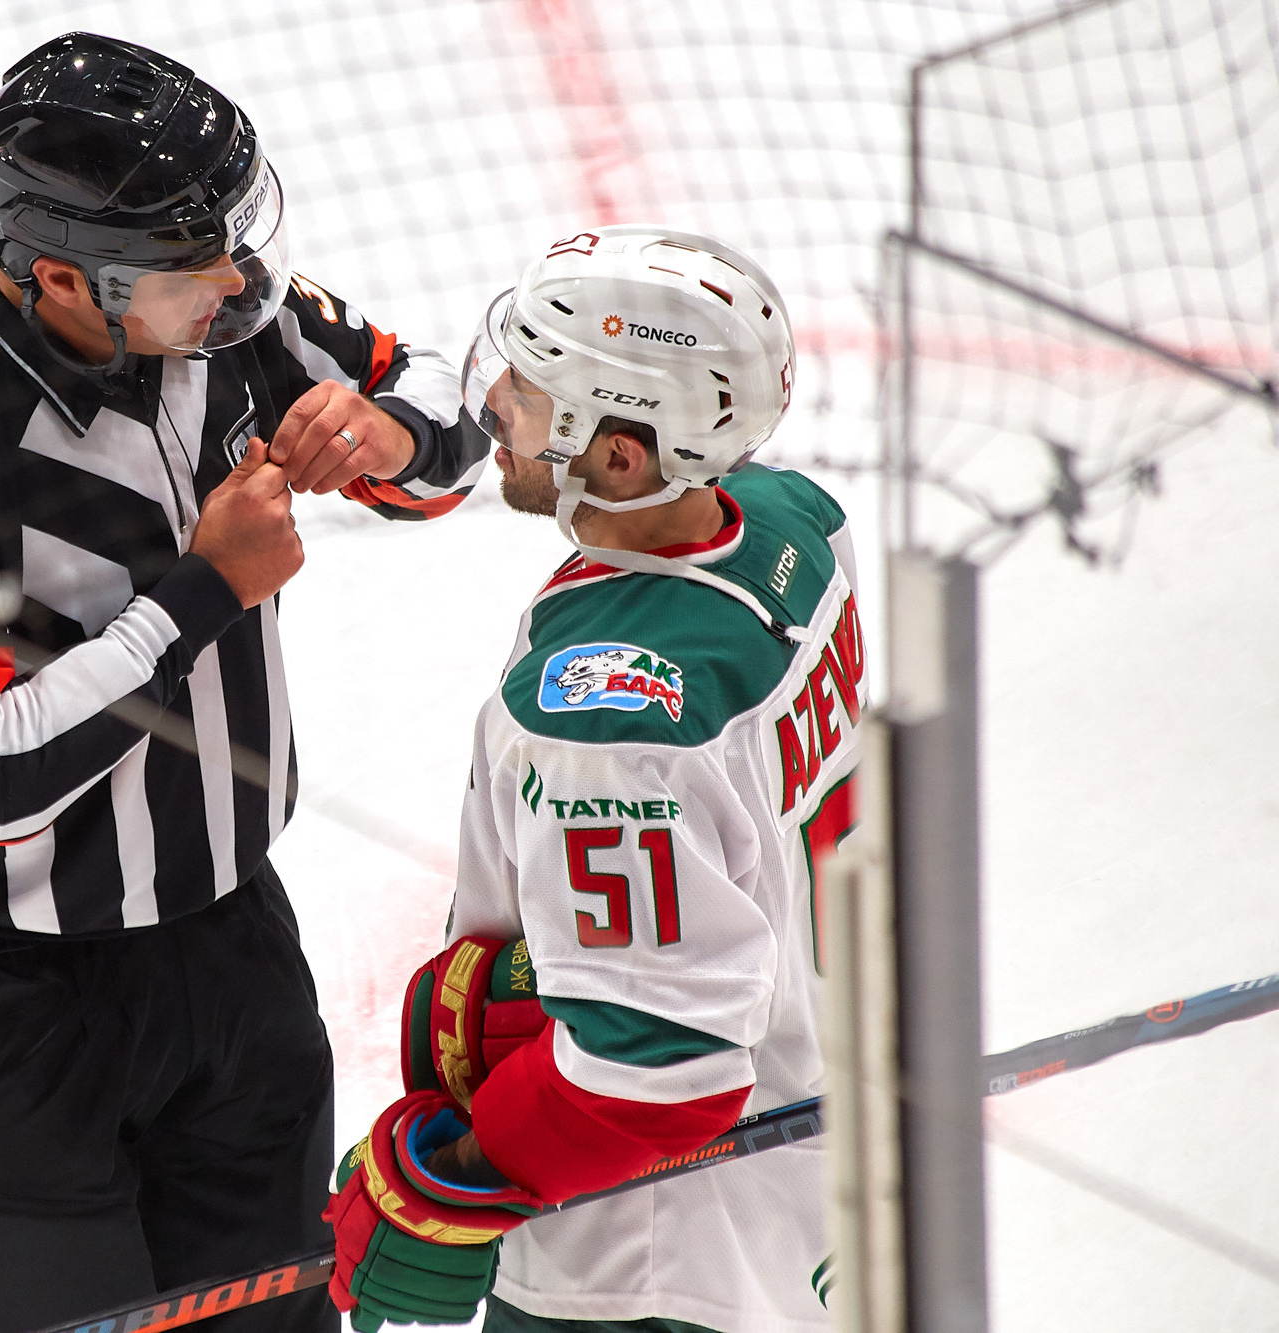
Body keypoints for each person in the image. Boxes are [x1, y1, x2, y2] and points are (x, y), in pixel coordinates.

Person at [0, 32, 485, 1333]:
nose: (237, 280)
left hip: (229, 952)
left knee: (276, 1317)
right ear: (64, 278)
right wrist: (203, 592)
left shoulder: (222, 317)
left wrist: (383, 431)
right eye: (197, 264)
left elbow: (442, 417)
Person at [324, 226, 864, 1333]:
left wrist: (455, 1179)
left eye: (529, 394)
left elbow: (655, 1063)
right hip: (808, 1155)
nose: (494, 408)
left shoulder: (606, 723)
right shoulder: (794, 525)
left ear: (621, 457)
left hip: (646, 1250)